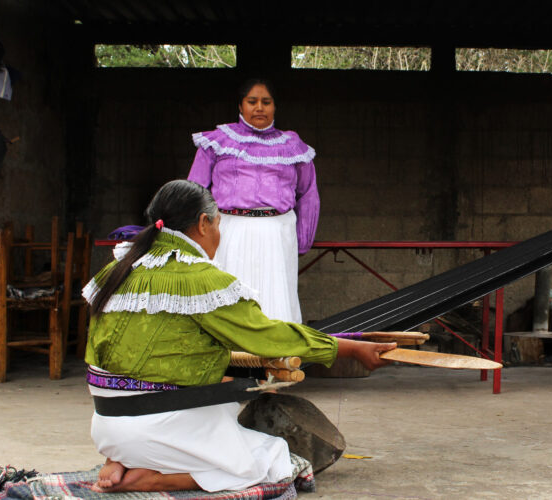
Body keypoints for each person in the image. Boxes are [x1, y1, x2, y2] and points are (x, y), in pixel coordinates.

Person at [83, 180, 394, 493]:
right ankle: (152, 478)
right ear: (203, 223)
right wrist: (349, 349)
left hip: (106, 425)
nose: (219, 235)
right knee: (271, 461)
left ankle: (122, 458)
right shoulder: (200, 280)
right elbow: (269, 336)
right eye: (218, 224)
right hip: (156, 427)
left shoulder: (116, 271)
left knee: (221, 405)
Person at [187, 78, 316, 323]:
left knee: (276, 299)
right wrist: (195, 236)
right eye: (252, 101)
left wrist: (303, 239)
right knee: (230, 297)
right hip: (228, 229)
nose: (259, 108)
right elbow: (194, 191)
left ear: (275, 106)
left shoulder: (292, 146)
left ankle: (276, 346)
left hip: (277, 232)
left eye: (266, 102)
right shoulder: (217, 142)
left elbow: (308, 193)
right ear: (240, 105)